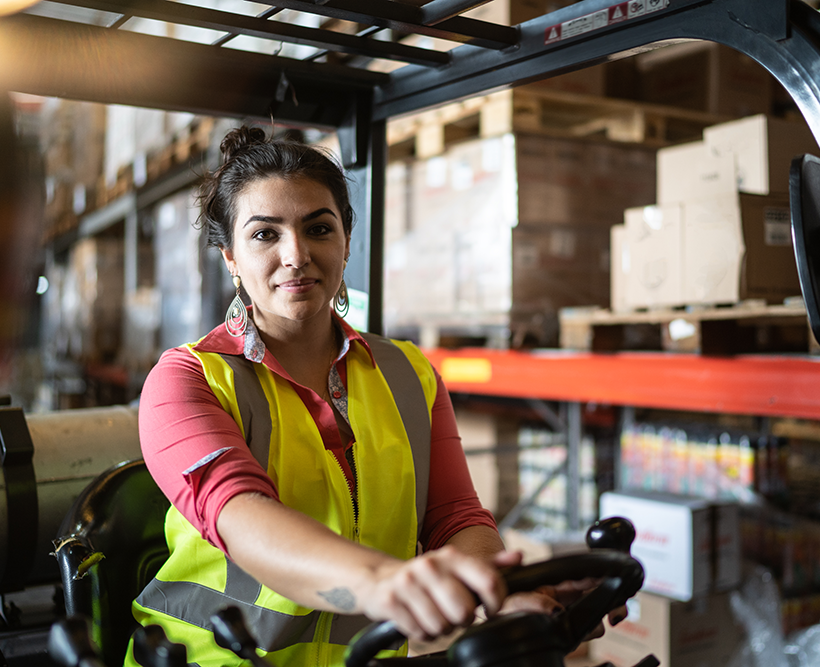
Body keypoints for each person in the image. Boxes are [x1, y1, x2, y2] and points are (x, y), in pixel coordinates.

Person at [125, 126, 621, 667]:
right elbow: (242, 518)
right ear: (230, 259)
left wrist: (501, 595)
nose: (296, 255)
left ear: (346, 240)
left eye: (318, 228)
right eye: (265, 235)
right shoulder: (187, 380)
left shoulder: (409, 373)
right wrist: (387, 582)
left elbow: (454, 517)